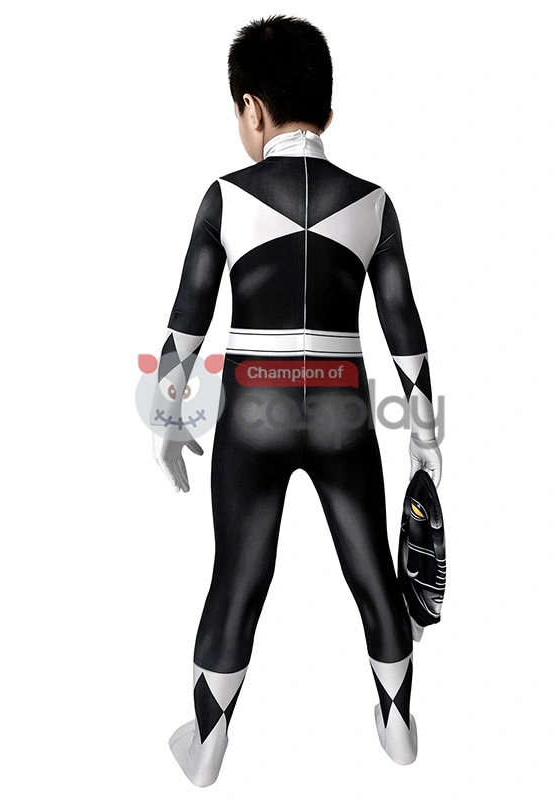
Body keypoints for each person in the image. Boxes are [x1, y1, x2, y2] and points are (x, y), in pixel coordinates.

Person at [151, 14, 442, 786]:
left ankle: (208, 743)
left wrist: (168, 420)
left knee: (239, 576)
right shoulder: (374, 204)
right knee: (373, 571)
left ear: (252, 109)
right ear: (329, 113)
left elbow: (185, 324)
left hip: (255, 405)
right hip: (344, 405)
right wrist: (425, 435)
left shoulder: (223, 196)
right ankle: (398, 724)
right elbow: (403, 328)